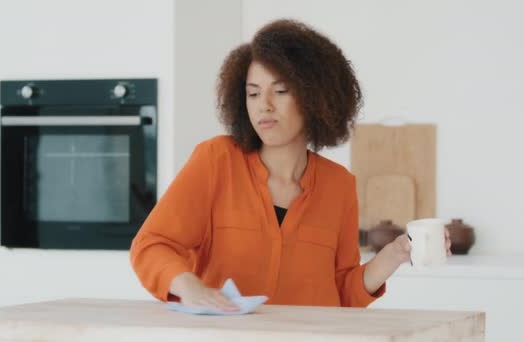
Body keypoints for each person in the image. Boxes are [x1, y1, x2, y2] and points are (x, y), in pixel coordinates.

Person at [130, 19, 451, 311]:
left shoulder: (338, 185)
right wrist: (189, 286)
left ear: (315, 98)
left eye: (280, 91)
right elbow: (151, 246)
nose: (264, 106)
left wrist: (394, 255)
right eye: (253, 94)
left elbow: (342, 294)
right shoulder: (216, 161)